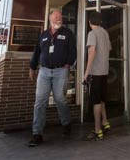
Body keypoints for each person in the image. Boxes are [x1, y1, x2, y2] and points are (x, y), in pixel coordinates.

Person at [28, 10, 77, 147]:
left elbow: (73, 51)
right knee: (40, 101)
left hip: (61, 70)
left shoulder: (67, 33)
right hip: (43, 71)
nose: (59, 19)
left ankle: (66, 123)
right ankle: (37, 133)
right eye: (56, 17)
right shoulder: (43, 35)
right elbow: (37, 52)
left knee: (60, 99)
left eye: (60, 17)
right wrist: (32, 67)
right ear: (50, 18)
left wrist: (68, 64)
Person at [83, 11, 112, 141]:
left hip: (95, 72)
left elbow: (92, 51)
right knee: (101, 100)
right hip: (104, 71)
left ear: (90, 22)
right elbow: (109, 49)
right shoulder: (105, 32)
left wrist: (86, 72)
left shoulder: (92, 33)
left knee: (95, 102)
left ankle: (97, 130)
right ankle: (105, 123)